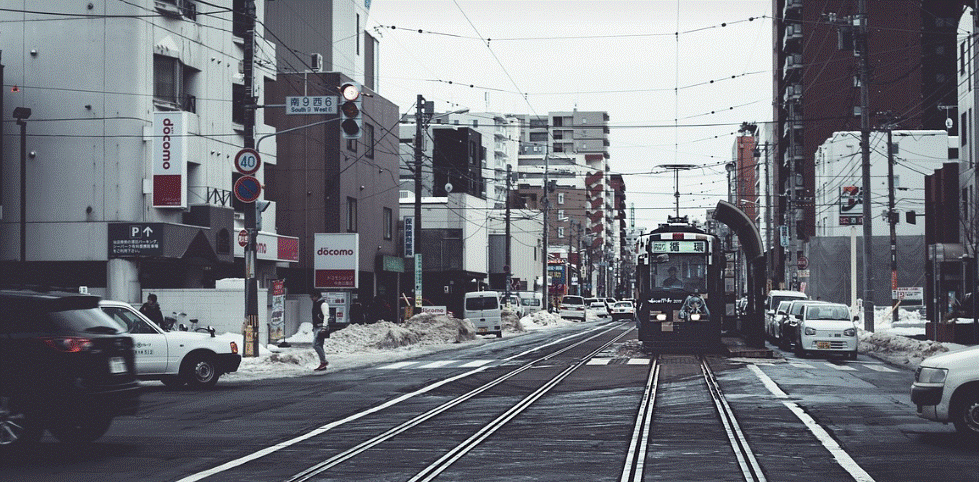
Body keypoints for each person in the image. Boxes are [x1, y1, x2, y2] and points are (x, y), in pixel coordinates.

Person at [310, 292, 330, 371]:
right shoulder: (316, 303)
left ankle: (324, 361)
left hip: (321, 327)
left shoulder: (323, 304)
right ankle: (323, 363)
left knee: (315, 344)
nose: (311, 299)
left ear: (316, 296)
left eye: (312, 297)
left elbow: (326, 315)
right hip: (316, 327)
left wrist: (324, 327)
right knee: (319, 345)